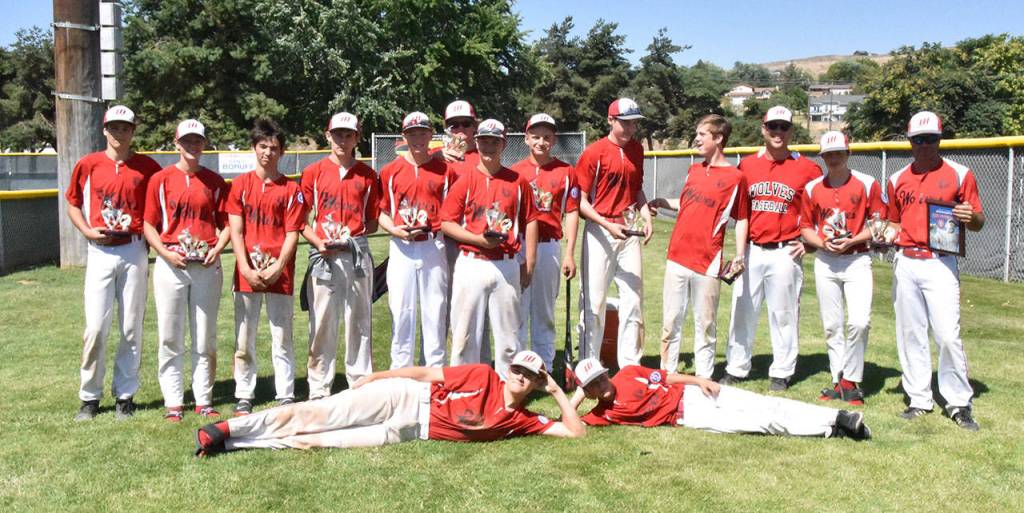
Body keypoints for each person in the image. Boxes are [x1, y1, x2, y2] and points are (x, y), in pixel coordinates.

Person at [193, 350, 585, 455]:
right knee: (317, 413)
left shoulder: (524, 420)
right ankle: (227, 428)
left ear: (536, 382)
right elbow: (427, 375)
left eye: (529, 375)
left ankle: (236, 444)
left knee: (316, 440)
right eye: (517, 369)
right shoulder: (483, 374)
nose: (519, 377)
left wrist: (555, 392)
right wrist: (377, 378)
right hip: (404, 396)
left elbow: (576, 432)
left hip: (409, 431)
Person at [886, 111, 985, 430]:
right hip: (907, 259)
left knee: (946, 334)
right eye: (918, 139)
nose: (924, 145)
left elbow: (979, 221)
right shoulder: (897, 177)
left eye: (930, 139)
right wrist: (884, 234)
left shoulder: (960, 173)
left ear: (939, 139)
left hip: (941, 261)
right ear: (910, 141)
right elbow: (892, 221)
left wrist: (970, 216)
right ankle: (918, 398)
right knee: (910, 333)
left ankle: (958, 401)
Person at [65, 105, 162, 421]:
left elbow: (155, 209)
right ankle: (89, 396)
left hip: (133, 249)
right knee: (95, 327)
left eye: (126, 127)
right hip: (100, 250)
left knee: (131, 327)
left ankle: (125, 395)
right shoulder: (89, 164)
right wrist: (86, 231)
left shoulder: (147, 167)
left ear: (133, 131)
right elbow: (73, 204)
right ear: (104, 130)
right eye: (114, 127)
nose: (120, 133)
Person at [722, 106, 823, 391]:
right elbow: (737, 212)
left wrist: (809, 244)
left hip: (785, 250)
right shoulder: (746, 165)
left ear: (791, 131)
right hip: (752, 249)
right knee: (742, 310)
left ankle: (782, 371)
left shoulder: (808, 168)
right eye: (773, 127)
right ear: (763, 129)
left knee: (784, 313)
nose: (778, 132)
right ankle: (737, 367)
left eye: (784, 127)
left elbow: (820, 209)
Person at [647, 114, 749, 377]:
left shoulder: (735, 177)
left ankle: (704, 377)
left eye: (703, 134)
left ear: (718, 138)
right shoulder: (694, 169)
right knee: (671, 321)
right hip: (677, 256)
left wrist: (739, 255)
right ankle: (667, 376)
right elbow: (688, 204)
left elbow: (741, 218)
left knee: (705, 323)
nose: (697, 138)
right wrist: (662, 201)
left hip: (708, 261)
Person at [143, 119, 231, 421]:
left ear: (204, 144)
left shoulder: (215, 182)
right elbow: (148, 224)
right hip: (172, 264)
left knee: (204, 335)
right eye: (187, 141)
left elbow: (227, 225)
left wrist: (217, 249)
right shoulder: (161, 179)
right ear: (176, 143)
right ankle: (173, 401)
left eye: (198, 141)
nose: (193, 146)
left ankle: (204, 398)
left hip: (205, 264)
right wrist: (165, 252)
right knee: (170, 334)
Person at [440, 119, 539, 379]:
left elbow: (530, 220)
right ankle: (464, 389)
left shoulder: (517, 181)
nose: (488, 146)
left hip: (506, 263)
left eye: (494, 141)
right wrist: (477, 239)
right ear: (476, 142)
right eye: (484, 140)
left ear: (504, 144)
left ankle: (507, 394)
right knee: (464, 335)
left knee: (508, 338)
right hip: (472, 260)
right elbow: (446, 222)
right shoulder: (465, 179)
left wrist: (529, 262)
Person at [570, 358, 870, 440]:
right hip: (689, 417)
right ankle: (832, 428)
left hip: (692, 394)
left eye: (601, 377)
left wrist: (700, 380)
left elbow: (667, 377)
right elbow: (569, 425)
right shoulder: (601, 414)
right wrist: (577, 396)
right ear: (588, 391)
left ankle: (837, 417)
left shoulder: (627, 373)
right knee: (762, 423)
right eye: (594, 384)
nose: (602, 384)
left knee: (766, 404)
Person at [226, 119, 306, 415]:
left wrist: (278, 267)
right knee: (244, 337)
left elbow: (292, 233)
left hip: (279, 273)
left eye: (274, 148)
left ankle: (285, 392)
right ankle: (244, 393)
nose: (267, 153)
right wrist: (245, 268)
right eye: (262, 146)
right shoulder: (240, 185)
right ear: (253, 147)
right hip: (247, 272)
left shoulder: (291, 189)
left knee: (282, 336)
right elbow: (235, 231)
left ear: (282, 152)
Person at [799, 131, 886, 405]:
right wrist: (822, 243)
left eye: (839, 153)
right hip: (826, 260)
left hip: (857, 258)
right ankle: (840, 381)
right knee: (832, 326)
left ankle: (852, 378)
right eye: (829, 154)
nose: (834, 158)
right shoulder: (813, 187)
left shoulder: (867, 183)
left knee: (859, 322)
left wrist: (852, 240)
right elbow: (804, 227)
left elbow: (878, 223)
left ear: (848, 154)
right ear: (822, 157)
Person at [300, 112, 381, 398]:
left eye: (348, 135)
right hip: (325, 256)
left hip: (356, 254)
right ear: (327, 135)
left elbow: (372, 222)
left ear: (357, 138)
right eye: (337, 134)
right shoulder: (314, 172)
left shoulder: (368, 175)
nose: (342, 140)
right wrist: (319, 241)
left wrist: (351, 237)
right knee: (322, 321)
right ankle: (319, 386)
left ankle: (359, 383)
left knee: (359, 319)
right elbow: (300, 218)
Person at [575, 98, 652, 368]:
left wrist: (645, 216)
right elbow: (581, 202)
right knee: (594, 302)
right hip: (600, 230)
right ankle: (589, 365)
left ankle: (630, 366)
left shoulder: (636, 150)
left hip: (629, 230)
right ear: (610, 120)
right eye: (624, 122)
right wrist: (607, 225)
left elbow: (637, 189)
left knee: (633, 299)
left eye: (633, 122)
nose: (630, 127)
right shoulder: (594, 152)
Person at [377, 112, 453, 369]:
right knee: (401, 310)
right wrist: (396, 231)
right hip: (401, 246)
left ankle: (434, 372)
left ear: (431, 135)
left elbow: (452, 213)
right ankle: (401, 372)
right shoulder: (390, 171)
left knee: (435, 310)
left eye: (423, 132)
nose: (418, 138)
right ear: (404, 137)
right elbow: (382, 212)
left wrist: (434, 226)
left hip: (434, 243)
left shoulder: (445, 171)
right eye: (412, 133)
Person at [508, 113, 580, 372]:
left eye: (547, 137)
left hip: (549, 244)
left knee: (544, 311)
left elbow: (571, 211)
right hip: (519, 246)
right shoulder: (515, 171)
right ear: (526, 138)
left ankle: (544, 367)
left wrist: (569, 253)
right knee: (517, 309)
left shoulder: (565, 171)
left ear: (554, 140)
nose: (541, 142)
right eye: (536, 136)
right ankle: (518, 367)